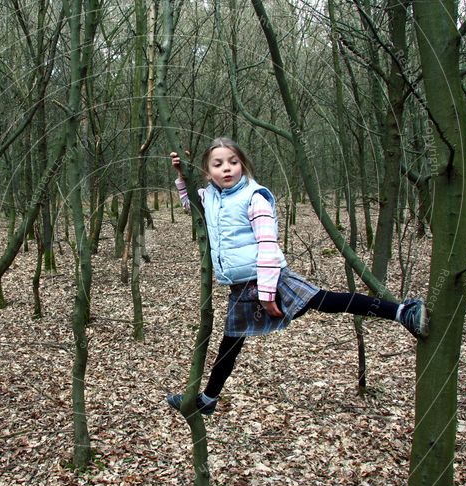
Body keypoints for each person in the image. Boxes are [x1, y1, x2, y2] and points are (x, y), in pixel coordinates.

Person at [166, 137, 428, 416]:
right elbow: (190, 206)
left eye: (233, 162)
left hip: (271, 279)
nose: (227, 169)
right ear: (208, 172)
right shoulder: (211, 198)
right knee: (230, 342)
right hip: (241, 289)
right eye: (218, 164)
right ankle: (208, 399)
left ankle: (403, 312)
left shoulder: (255, 198)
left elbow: (267, 246)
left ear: (243, 165)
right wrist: (182, 177)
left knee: (327, 301)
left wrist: (267, 294)